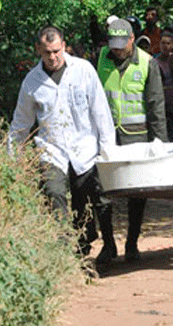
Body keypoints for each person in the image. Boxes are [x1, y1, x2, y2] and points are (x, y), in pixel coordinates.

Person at [7, 26, 117, 264]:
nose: (53, 57)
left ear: (64, 46)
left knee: (84, 200)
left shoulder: (83, 70)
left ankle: (85, 244)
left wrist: (108, 151)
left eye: (56, 51)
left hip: (84, 148)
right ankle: (62, 251)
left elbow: (101, 112)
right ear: (38, 50)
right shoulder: (31, 83)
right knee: (53, 191)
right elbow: (21, 123)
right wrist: (12, 159)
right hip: (51, 150)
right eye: (47, 52)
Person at [97, 18, 168, 262]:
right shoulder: (99, 59)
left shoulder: (148, 63)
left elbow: (156, 105)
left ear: (131, 40)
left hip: (137, 137)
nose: (117, 50)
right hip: (106, 138)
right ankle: (108, 244)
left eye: (121, 44)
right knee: (102, 191)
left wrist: (160, 143)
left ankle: (132, 243)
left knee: (136, 194)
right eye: (113, 44)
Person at [157, 29, 173, 141]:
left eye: (168, 43)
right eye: (163, 43)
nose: (165, 46)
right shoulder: (155, 62)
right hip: (163, 105)